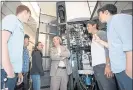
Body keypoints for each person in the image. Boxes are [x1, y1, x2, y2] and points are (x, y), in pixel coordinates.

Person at [95, 4, 132, 90]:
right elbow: (113, 46)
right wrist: (100, 41)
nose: (98, 17)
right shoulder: (110, 24)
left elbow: (129, 44)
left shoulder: (118, 19)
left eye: (99, 14)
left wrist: (129, 69)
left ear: (106, 12)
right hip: (119, 70)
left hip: (125, 69)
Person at [1, 5, 31, 90]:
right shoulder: (12, 19)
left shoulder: (20, 26)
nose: (29, 19)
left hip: (13, 71)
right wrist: (9, 69)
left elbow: (17, 52)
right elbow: (2, 42)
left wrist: (19, 72)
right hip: (6, 71)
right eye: (29, 15)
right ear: (25, 12)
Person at [86, 20, 117, 90]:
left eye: (88, 26)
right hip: (97, 67)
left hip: (103, 66)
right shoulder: (93, 38)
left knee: (108, 87)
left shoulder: (101, 33)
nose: (87, 28)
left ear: (94, 25)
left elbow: (108, 48)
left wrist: (108, 65)